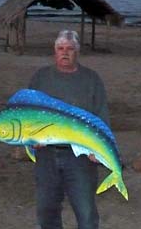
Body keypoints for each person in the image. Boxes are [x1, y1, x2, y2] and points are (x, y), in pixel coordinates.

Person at [28, 30, 110, 229]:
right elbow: (29, 112)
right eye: (60, 48)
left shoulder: (92, 79)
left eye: (70, 49)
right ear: (54, 51)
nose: (65, 53)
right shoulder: (40, 77)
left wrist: (98, 149)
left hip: (80, 156)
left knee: (86, 213)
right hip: (46, 155)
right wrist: (31, 137)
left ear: (77, 52)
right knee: (46, 212)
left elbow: (101, 116)